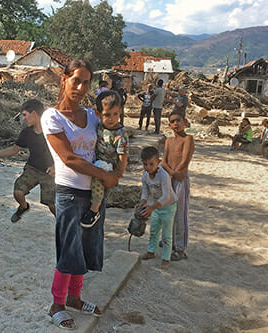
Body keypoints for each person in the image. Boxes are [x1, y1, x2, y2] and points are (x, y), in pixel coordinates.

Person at [41, 60, 120, 330]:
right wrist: (105, 176)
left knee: (86, 248)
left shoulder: (91, 114)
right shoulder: (52, 117)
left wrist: (118, 169)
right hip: (69, 193)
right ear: (64, 79)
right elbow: (69, 158)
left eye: (86, 82)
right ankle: (57, 304)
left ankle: (75, 298)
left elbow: (111, 140)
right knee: (68, 249)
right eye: (76, 80)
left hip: (95, 194)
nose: (80, 87)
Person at [0, 99, 56, 221]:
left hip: (49, 173)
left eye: (25, 115)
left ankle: (64, 227)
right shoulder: (27, 132)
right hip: (32, 169)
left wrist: (55, 166)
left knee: (53, 205)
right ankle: (23, 207)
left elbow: (62, 151)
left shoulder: (52, 130)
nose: (24, 118)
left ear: (34, 114)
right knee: (18, 192)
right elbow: (14, 150)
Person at [80, 90, 128, 228]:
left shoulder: (120, 134)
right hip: (97, 160)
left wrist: (118, 173)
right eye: (107, 115)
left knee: (98, 183)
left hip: (108, 166)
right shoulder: (99, 125)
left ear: (120, 112)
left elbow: (122, 155)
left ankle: (94, 210)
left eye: (115, 114)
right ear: (98, 114)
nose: (112, 118)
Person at [161, 112, 195, 260]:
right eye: (173, 121)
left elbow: (185, 160)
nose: (176, 124)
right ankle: (170, 242)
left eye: (178, 120)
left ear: (185, 122)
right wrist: (171, 174)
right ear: (169, 125)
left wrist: (175, 173)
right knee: (169, 212)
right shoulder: (169, 141)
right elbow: (163, 161)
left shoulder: (188, 139)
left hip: (180, 180)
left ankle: (181, 248)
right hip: (170, 179)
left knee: (180, 214)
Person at [139, 146, 177, 270]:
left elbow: (167, 196)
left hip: (168, 206)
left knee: (166, 234)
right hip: (155, 207)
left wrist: (151, 207)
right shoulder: (145, 176)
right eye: (145, 164)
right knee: (154, 231)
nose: (148, 167)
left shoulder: (164, 175)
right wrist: (143, 202)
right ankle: (151, 251)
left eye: (151, 164)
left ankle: (166, 258)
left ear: (158, 162)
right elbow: (145, 191)